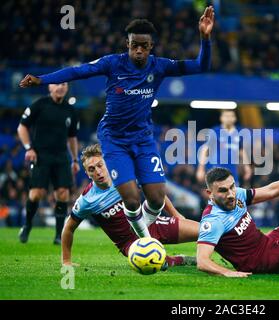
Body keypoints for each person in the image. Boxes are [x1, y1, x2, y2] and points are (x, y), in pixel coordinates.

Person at [19, 6, 215, 241]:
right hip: (114, 139)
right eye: (135, 46)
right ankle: (145, 242)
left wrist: (205, 38)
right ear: (127, 44)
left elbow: (201, 66)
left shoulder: (160, 66)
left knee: (156, 199)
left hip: (143, 139)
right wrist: (42, 80)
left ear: (151, 47)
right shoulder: (113, 63)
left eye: (144, 46)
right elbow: (77, 71)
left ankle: (141, 235)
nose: (139, 51)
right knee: (131, 199)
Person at [62, 144, 199, 268]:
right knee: (158, 264)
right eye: (92, 169)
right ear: (87, 173)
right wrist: (66, 261)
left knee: (204, 231)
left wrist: (176, 214)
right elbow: (68, 228)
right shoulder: (87, 200)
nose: (98, 172)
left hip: (152, 224)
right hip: (131, 244)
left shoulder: (124, 177)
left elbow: (156, 193)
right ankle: (180, 260)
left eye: (100, 165)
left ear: (107, 163)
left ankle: (212, 258)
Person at [18, 83, 80, 244]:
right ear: (50, 87)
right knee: (36, 194)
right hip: (41, 155)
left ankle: (59, 235)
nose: (60, 87)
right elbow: (22, 127)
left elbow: (72, 138)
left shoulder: (70, 110)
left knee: (63, 194)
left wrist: (74, 159)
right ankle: (27, 225)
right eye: (57, 84)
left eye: (64, 84)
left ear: (67, 88)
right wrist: (28, 148)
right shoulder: (39, 105)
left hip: (61, 157)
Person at [196, 109, 252, 186]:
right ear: (221, 118)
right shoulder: (216, 131)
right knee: (219, 195)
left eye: (231, 116)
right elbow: (205, 149)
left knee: (233, 195)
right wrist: (200, 169)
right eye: (226, 116)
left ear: (235, 118)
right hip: (217, 172)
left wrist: (247, 167)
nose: (229, 118)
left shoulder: (238, 133)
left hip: (233, 173)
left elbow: (241, 151)